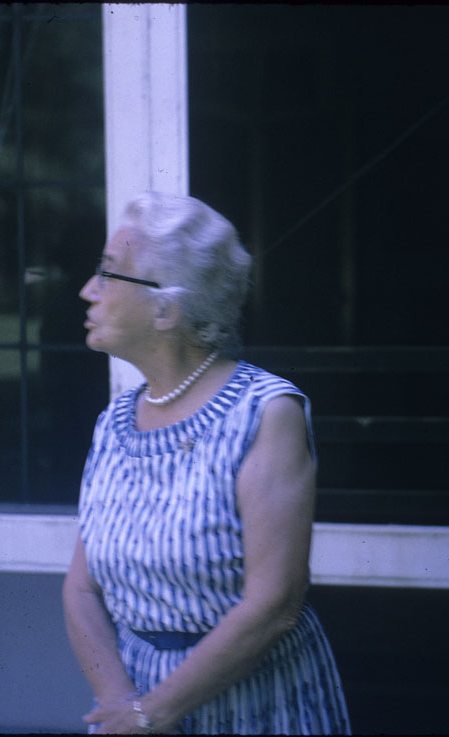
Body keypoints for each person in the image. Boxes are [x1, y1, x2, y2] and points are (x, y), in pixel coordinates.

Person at [62, 192, 350, 734]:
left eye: (107, 272)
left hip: (256, 709)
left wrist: (152, 712)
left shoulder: (264, 412)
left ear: (166, 310)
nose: (87, 290)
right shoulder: (114, 423)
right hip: (137, 709)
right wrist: (121, 706)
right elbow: (80, 588)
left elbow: (274, 605)